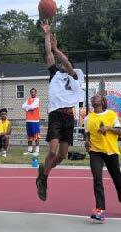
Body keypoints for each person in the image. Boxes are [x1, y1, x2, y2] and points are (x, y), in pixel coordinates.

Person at [36, 20, 84, 201]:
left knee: (62, 155)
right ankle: (44, 179)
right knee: (53, 150)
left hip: (69, 116)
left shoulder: (74, 75)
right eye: (61, 61)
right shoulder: (54, 73)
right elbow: (48, 53)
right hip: (56, 114)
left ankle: (43, 172)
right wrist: (47, 34)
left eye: (65, 60)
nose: (63, 63)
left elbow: (66, 62)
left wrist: (58, 51)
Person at [84, 93, 121, 223]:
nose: (94, 98)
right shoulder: (88, 118)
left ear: (102, 101)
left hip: (111, 151)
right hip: (95, 152)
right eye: (92, 97)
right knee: (97, 179)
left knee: (118, 179)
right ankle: (100, 209)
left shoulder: (111, 114)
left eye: (97, 96)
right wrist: (86, 142)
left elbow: (119, 131)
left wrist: (109, 128)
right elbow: (87, 135)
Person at [22, 88, 40, 156]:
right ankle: (29, 150)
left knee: (36, 136)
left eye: (34, 92)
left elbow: (32, 107)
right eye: (31, 92)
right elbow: (23, 106)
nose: (32, 93)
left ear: (36, 93)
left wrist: (27, 107)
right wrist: (28, 107)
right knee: (29, 135)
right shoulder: (28, 99)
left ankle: (37, 151)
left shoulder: (37, 99)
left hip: (35, 120)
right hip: (28, 120)